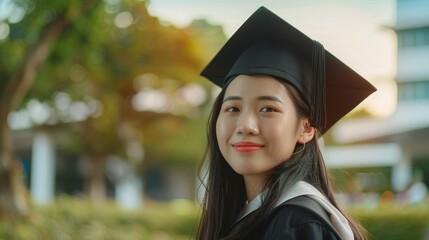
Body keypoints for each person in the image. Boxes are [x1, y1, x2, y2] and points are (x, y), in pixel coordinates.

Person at [196, 6, 376, 240]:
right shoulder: (250, 215)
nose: (245, 125)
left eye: (268, 109)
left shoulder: (296, 225)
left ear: (307, 128)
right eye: (232, 108)